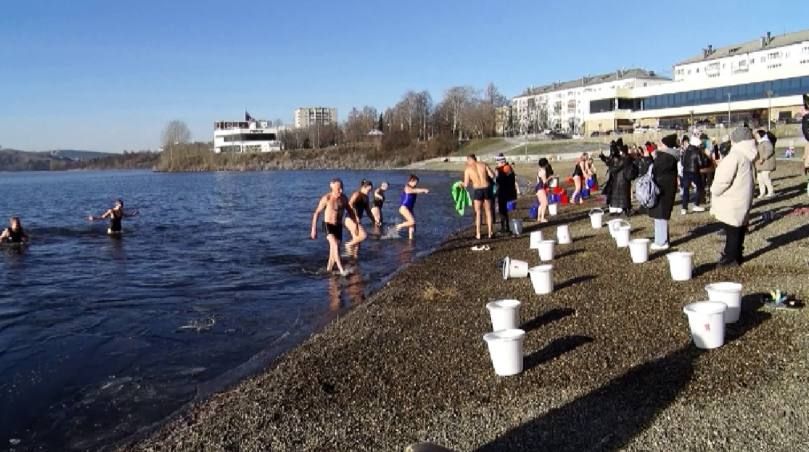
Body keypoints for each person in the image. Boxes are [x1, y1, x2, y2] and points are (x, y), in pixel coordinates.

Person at [710, 127, 758, 267]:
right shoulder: (748, 154)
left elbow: (723, 180)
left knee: (732, 230)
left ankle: (730, 258)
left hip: (732, 199)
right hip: (742, 197)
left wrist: (714, 190)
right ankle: (737, 255)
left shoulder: (735, 155)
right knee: (739, 229)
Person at [311, 178, 354, 275]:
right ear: (332, 186)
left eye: (342, 188)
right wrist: (313, 229)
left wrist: (355, 223)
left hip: (338, 226)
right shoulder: (327, 198)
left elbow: (350, 211)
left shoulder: (344, 199)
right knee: (334, 245)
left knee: (334, 251)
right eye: (338, 188)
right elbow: (317, 213)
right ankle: (341, 270)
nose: (341, 190)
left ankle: (328, 270)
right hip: (328, 225)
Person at [648, 134, 680, 251]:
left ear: (666, 146)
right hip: (665, 189)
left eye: (661, 144)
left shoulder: (666, 157)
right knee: (660, 215)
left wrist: (649, 158)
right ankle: (662, 240)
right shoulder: (668, 157)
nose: (659, 146)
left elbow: (656, 169)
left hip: (663, 190)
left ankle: (661, 242)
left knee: (660, 216)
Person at [463, 154, 496, 240]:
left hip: (478, 190)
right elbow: (492, 175)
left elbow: (466, 184)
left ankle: (478, 234)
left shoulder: (468, 169)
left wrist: (460, 184)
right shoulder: (483, 164)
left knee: (478, 212)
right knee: (488, 211)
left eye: (467, 161)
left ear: (469, 160)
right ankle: (490, 232)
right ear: (475, 159)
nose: (467, 163)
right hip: (487, 188)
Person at [344, 179, 374, 256]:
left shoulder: (366, 198)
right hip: (350, 218)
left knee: (357, 243)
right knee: (363, 236)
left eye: (370, 190)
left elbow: (368, 211)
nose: (369, 192)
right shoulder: (357, 194)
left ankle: (353, 258)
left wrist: (374, 220)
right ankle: (348, 245)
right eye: (369, 190)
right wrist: (355, 215)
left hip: (357, 220)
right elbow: (350, 204)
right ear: (364, 187)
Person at [395, 174, 429, 240]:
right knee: (412, 221)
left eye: (417, 183)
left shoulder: (413, 188)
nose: (416, 184)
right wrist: (424, 190)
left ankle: (411, 240)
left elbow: (415, 190)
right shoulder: (407, 187)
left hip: (410, 209)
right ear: (411, 181)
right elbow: (413, 191)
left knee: (412, 227)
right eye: (415, 182)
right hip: (404, 208)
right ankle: (399, 226)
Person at [680, 135, 707, 215]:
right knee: (699, 187)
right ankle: (696, 204)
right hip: (695, 172)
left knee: (686, 189)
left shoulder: (685, 151)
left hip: (685, 171)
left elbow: (682, 162)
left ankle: (684, 208)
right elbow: (701, 163)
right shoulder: (697, 151)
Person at [494, 154, 519, 233]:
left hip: (503, 191)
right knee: (503, 210)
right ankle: (506, 227)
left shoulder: (503, 169)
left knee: (502, 210)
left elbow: (500, 181)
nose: (497, 164)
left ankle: (504, 228)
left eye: (497, 162)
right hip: (508, 191)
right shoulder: (508, 168)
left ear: (501, 162)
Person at [754, 129, 776, 199]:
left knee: (766, 177)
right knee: (760, 179)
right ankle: (762, 192)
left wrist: (763, 158)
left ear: (761, 135)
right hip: (760, 164)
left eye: (757, 134)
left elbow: (770, 150)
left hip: (767, 163)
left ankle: (771, 192)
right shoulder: (759, 143)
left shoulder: (766, 142)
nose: (756, 136)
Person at [535, 158, 553, 223]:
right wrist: (550, 178)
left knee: (541, 204)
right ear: (545, 164)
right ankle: (542, 218)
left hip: (538, 188)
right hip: (541, 188)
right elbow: (545, 181)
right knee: (545, 203)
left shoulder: (539, 170)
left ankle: (538, 218)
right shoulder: (543, 171)